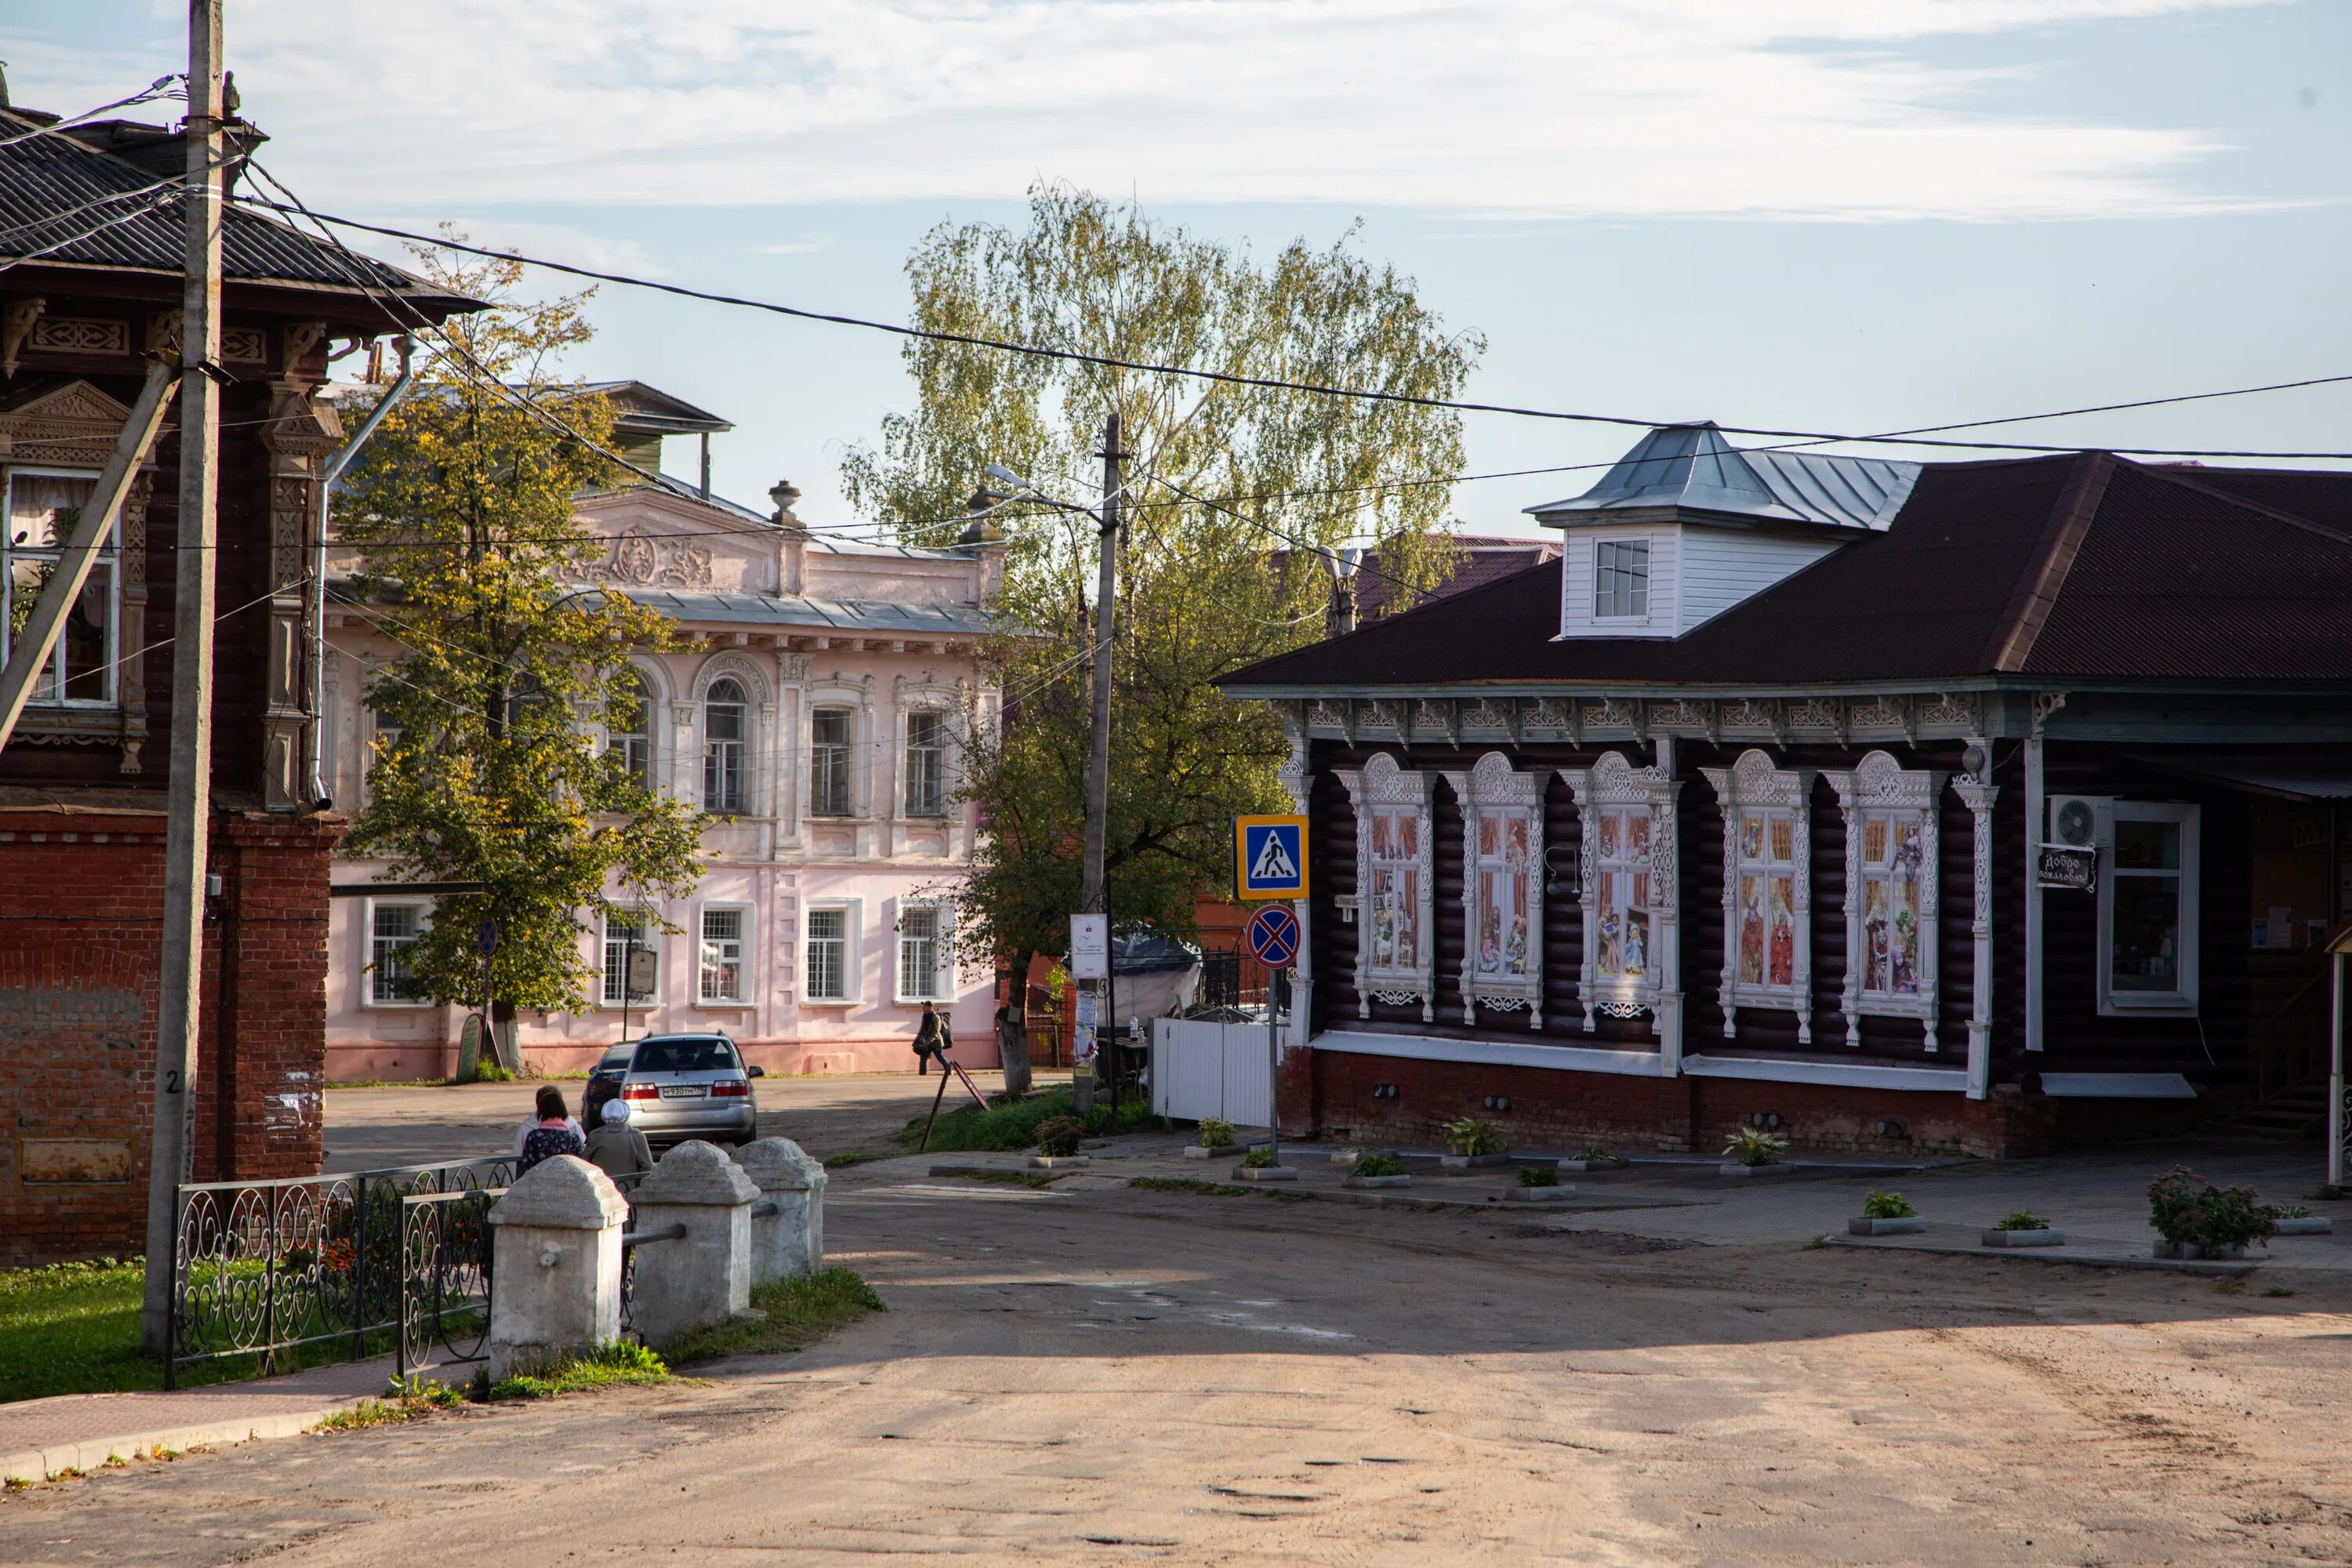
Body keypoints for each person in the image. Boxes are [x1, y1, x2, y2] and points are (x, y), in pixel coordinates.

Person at [514, 1084, 586, 1175]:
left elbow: (521, 1163)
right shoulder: (573, 1135)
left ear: (539, 1108)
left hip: (540, 1185)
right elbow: (581, 1165)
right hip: (565, 1185)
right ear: (562, 1106)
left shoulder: (532, 1135)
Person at [583, 1096, 654, 1182]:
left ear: (604, 1115)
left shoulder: (594, 1136)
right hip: (629, 1191)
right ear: (626, 1115)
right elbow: (648, 1168)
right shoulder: (637, 1136)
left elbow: (583, 1165)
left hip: (601, 1190)